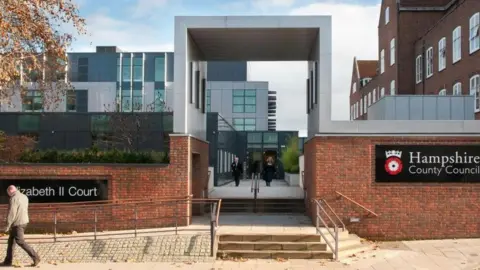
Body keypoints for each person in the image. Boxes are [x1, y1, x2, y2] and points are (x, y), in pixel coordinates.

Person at [1, 185, 40, 267]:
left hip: (17, 223)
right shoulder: (24, 196)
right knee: (11, 242)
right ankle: (8, 261)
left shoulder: (13, 198)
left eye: (8, 193)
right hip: (24, 221)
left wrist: (7, 226)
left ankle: (36, 257)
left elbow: (12, 214)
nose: (8, 195)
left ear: (10, 191)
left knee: (20, 241)